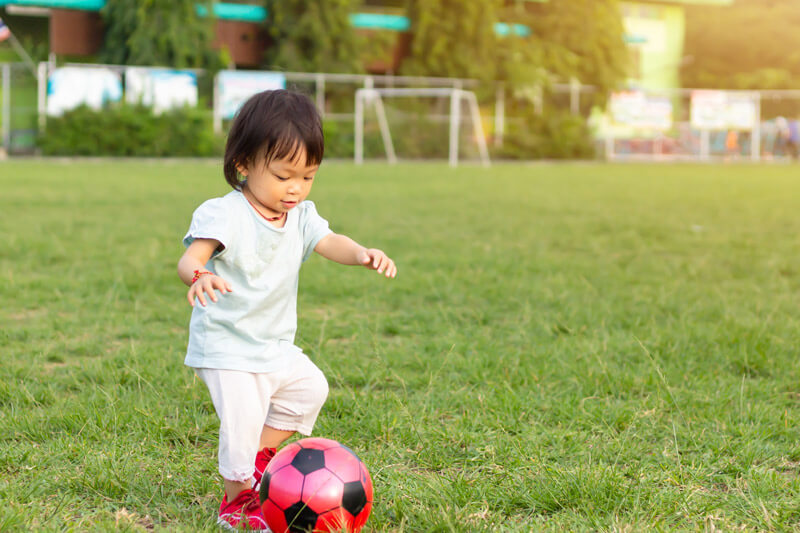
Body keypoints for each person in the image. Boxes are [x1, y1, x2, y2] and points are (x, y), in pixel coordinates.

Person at [177, 89, 397, 531]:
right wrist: (202, 277)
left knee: (309, 388)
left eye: (308, 177)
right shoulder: (226, 214)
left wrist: (363, 253)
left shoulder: (300, 215)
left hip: (273, 344)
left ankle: (260, 458)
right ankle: (237, 501)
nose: (295, 188)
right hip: (227, 347)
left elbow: (330, 240)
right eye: (283, 175)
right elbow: (189, 260)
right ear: (243, 165)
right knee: (240, 423)